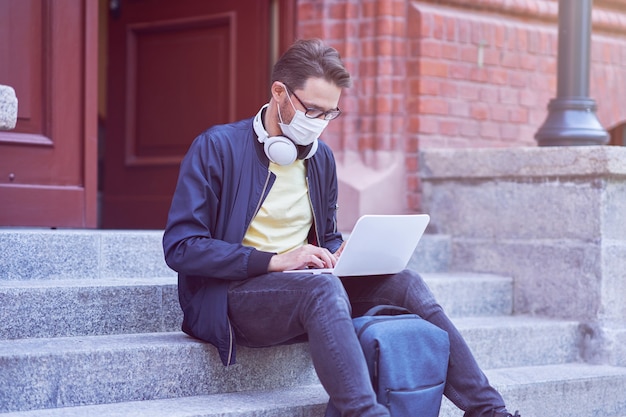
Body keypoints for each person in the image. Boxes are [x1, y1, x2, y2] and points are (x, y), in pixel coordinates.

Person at [162, 38, 519, 417]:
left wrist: (341, 254)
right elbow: (182, 247)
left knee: (406, 282)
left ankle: (489, 410)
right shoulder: (217, 147)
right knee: (321, 287)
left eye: (329, 114)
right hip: (231, 296)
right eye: (311, 109)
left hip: (306, 289)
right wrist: (275, 260)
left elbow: (327, 235)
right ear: (279, 92)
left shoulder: (320, 159)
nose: (318, 123)